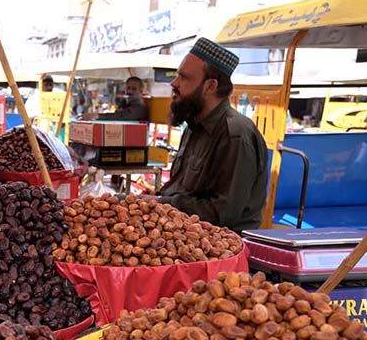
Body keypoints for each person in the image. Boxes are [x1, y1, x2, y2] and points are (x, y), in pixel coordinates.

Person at [157, 37, 268, 232]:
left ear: (210, 86)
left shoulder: (236, 135)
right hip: (181, 234)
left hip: (220, 249)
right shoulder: (193, 125)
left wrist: (160, 203)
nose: (174, 83)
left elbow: (223, 212)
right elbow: (182, 190)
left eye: (184, 77)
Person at [81, 76, 149, 121]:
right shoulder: (125, 102)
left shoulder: (140, 107)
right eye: (128, 88)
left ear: (141, 91)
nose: (129, 91)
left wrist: (97, 115)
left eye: (134, 89)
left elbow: (120, 116)